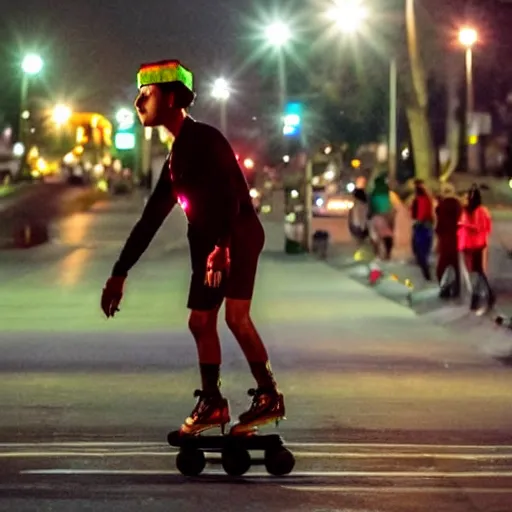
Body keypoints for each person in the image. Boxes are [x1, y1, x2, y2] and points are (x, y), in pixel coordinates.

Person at [100, 60, 284, 436]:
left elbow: (232, 196)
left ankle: (269, 396)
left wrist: (222, 246)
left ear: (169, 98)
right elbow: (149, 220)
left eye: (145, 95)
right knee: (200, 322)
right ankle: (213, 403)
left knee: (235, 318)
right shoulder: (175, 158)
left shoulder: (205, 139)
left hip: (237, 234)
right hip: (209, 243)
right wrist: (120, 271)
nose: (138, 103)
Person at [457, 185, 495, 310]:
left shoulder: (477, 211)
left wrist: (464, 225)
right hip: (474, 244)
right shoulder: (477, 210)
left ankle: (478, 296)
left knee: (476, 272)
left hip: (473, 244)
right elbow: (487, 228)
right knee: (477, 272)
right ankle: (483, 295)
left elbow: (479, 227)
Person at [435, 182, 462, 298]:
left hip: (445, 239)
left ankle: (444, 288)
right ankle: (456, 289)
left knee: (442, 267)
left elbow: (439, 224)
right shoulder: (458, 205)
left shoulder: (441, 206)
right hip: (457, 238)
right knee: (456, 266)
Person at [410, 179, 434, 281]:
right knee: (424, 247)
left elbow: (421, 213)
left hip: (421, 225)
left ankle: (425, 269)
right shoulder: (427, 198)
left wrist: (417, 221)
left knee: (419, 248)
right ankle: (425, 265)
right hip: (426, 224)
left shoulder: (420, 199)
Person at [368, 172, 394, 260]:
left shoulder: (374, 192)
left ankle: (377, 254)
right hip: (388, 215)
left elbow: (372, 205)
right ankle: (388, 253)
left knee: (375, 236)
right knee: (388, 235)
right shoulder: (387, 191)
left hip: (377, 216)